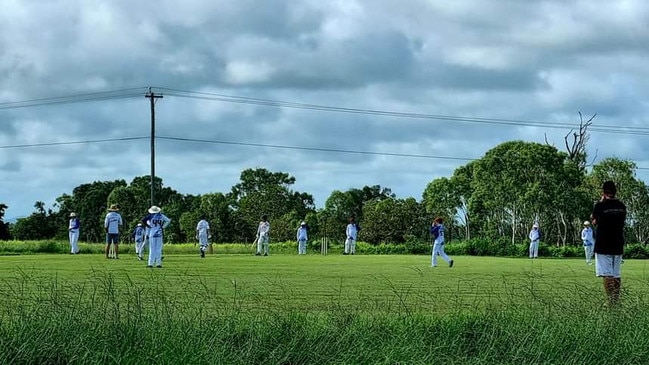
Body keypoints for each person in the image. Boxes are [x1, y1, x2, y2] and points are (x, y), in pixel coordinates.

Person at [591, 180, 627, 306]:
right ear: (615, 191)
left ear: (603, 191)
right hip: (617, 244)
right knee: (616, 274)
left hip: (604, 244)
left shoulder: (600, 206)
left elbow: (594, 221)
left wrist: (601, 202)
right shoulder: (622, 206)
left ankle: (610, 301)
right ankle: (616, 300)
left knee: (607, 275)